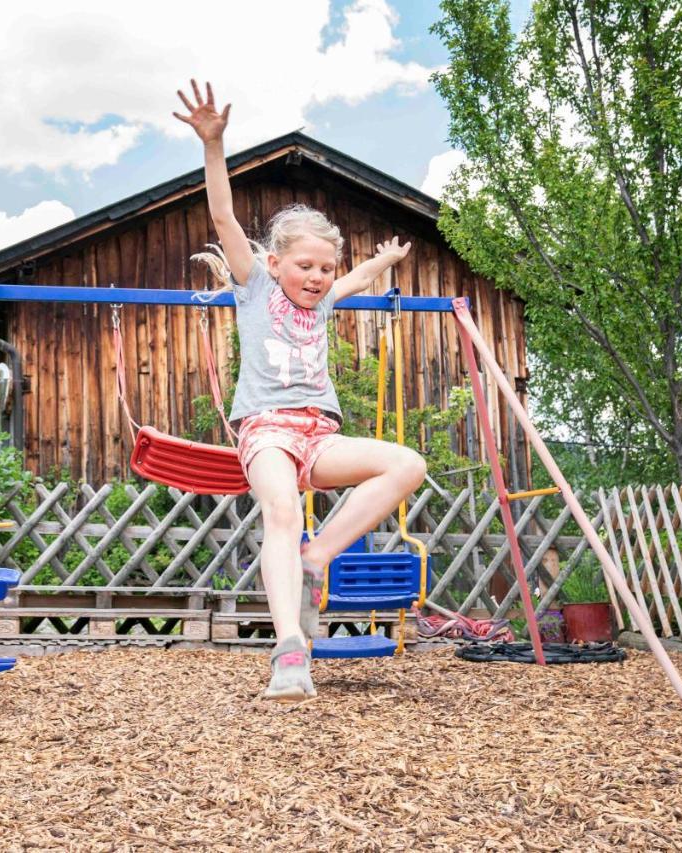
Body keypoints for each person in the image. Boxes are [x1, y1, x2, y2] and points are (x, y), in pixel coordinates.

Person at [173, 80, 427, 701]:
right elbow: (222, 216)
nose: (317, 277)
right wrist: (214, 144)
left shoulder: (323, 302)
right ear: (277, 263)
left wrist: (384, 263)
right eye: (305, 266)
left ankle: (318, 560)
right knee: (282, 513)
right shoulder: (254, 288)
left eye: (324, 269)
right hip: (266, 430)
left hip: (320, 433)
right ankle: (290, 648)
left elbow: (360, 275)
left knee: (407, 463)